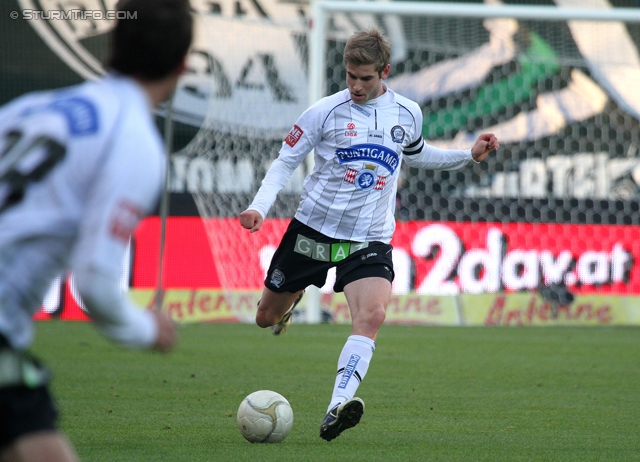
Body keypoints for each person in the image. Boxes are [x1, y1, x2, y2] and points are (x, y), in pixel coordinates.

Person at [240, 27, 499, 442]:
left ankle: (335, 408)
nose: (357, 86)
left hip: (369, 238)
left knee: (372, 315)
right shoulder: (324, 112)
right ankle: (290, 299)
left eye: (366, 78)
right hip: (314, 231)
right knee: (263, 318)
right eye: (350, 76)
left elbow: (419, 155)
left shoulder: (406, 113)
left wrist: (467, 155)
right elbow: (284, 162)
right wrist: (258, 207)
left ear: (385, 72)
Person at [0, 0, 193, 460]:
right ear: (183, 66)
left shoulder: (29, 108)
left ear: (112, 45)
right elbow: (94, 282)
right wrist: (147, 329)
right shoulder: (133, 140)